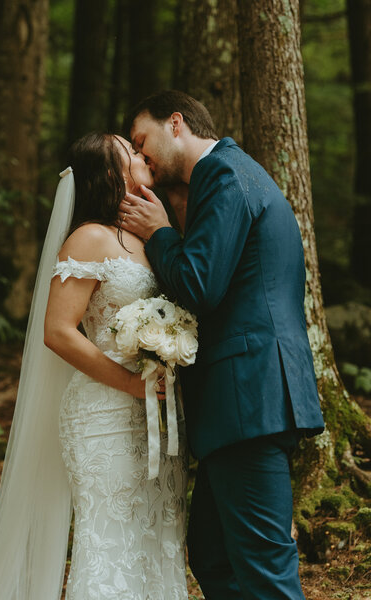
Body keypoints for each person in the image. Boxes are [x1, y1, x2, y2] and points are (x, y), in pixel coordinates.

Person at [120, 89, 325, 600]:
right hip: (244, 401)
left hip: (249, 396)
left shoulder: (223, 173)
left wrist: (160, 233)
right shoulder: (236, 172)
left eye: (142, 142)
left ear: (176, 123)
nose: (140, 156)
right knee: (213, 557)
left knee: (265, 570)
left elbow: (199, 284)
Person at [0, 132, 188, 600]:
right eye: (129, 151)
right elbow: (58, 331)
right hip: (103, 414)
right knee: (109, 544)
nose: (140, 151)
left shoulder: (148, 236)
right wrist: (131, 384)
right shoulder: (88, 237)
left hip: (157, 415)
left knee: (158, 540)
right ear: (112, 174)